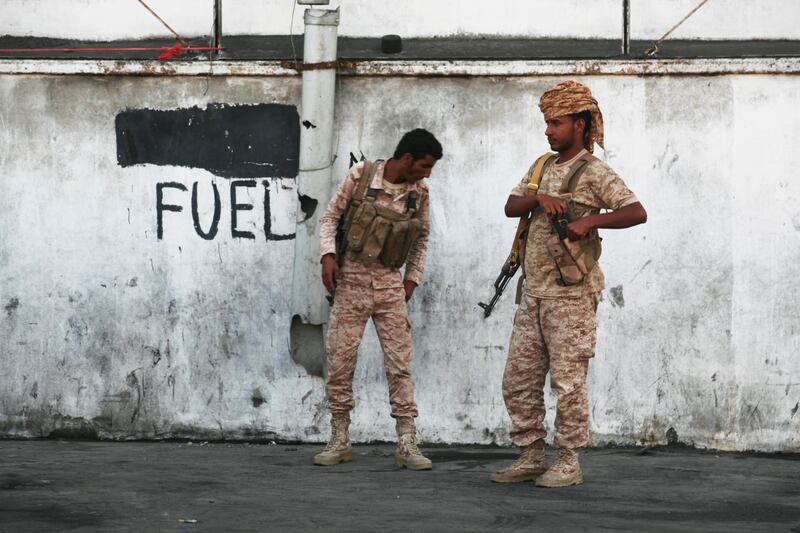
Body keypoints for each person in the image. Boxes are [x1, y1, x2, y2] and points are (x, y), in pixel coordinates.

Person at [492, 81, 647, 487]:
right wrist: (540, 199)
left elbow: (636, 211)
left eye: (556, 122)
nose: (548, 131)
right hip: (534, 293)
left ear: (580, 124)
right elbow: (511, 207)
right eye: (546, 123)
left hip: (572, 296)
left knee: (568, 382)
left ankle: (568, 461)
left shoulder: (594, 171)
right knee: (519, 379)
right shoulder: (542, 166)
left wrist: (591, 220)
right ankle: (530, 455)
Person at [314, 128, 442, 470]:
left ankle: (407, 442)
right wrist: (328, 256)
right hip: (352, 279)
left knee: (400, 366)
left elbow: (421, 240)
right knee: (341, 361)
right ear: (407, 159)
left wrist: (411, 281)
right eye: (425, 166)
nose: (428, 173)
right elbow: (330, 218)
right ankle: (339, 439)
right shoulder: (362, 176)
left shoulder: (420, 194)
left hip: (389, 284)